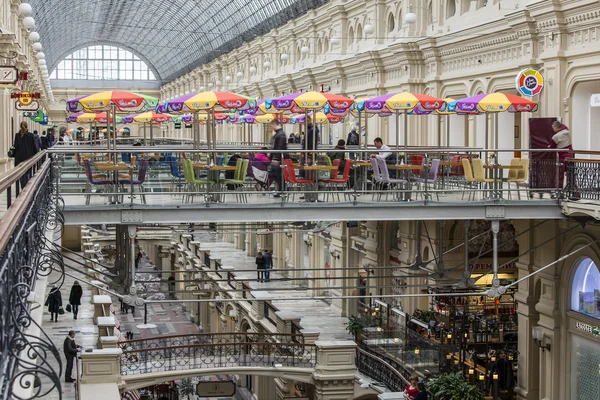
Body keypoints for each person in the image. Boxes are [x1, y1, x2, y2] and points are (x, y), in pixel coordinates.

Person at [12, 121, 38, 187]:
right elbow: (35, 148)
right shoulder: (31, 135)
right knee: (28, 172)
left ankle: (22, 186)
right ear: (27, 126)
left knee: (20, 173)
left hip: (19, 159)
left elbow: (15, 146)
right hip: (28, 158)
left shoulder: (17, 135)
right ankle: (27, 187)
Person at [548, 121, 574, 187]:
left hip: (562, 157)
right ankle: (573, 191)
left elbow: (552, 147)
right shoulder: (567, 132)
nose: (553, 129)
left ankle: (559, 190)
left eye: (553, 128)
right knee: (571, 174)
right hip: (571, 156)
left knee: (560, 174)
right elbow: (563, 126)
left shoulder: (556, 136)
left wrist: (549, 146)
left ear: (555, 127)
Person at [268, 119, 287, 197]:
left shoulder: (280, 135)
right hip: (277, 158)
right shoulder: (279, 134)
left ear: (274, 124)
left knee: (279, 175)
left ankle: (281, 190)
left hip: (278, 159)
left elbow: (279, 147)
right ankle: (280, 190)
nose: (271, 127)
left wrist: (276, 158)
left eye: (272, 125)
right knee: (277, 175)